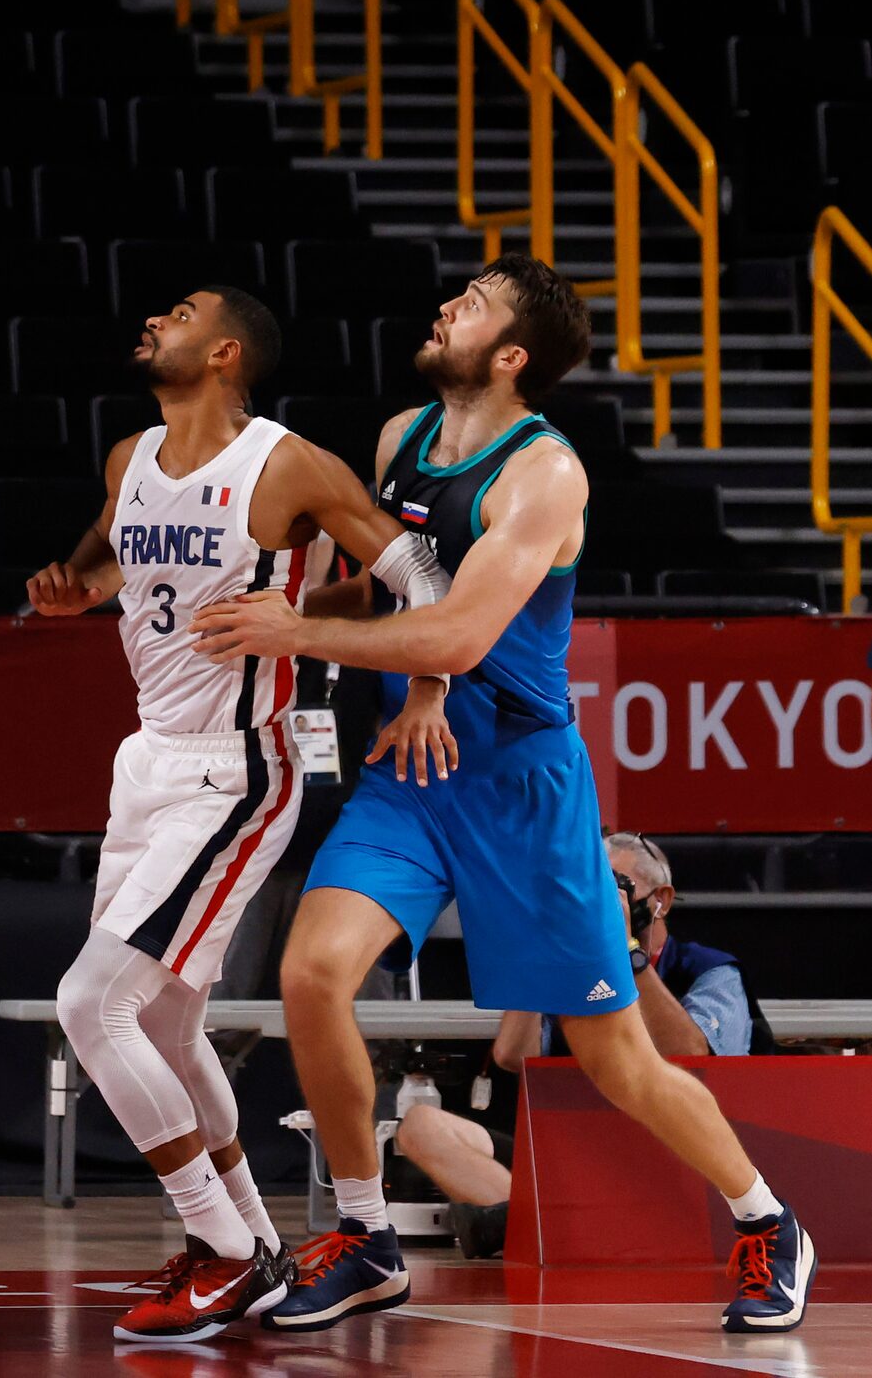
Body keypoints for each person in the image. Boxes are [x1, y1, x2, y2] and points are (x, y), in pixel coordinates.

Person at [193, 257, 814, 1336]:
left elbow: (462, 627)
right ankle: (366, 1234)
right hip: (409, 770)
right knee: (310, 973)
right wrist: (296, 619)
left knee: (614, 1057)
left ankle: (764, 1219)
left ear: (511, 355)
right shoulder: (400, 441)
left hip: (520, 788)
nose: (443, 308)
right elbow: (404, 584)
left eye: (469, 305)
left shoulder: (543, 477)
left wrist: (304, 635)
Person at [27, 287, 456, 1344]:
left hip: (242, 768)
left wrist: (426, 682)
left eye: (174, 313)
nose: (148, 320)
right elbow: (106, 555)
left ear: (222, 353)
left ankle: (217, 1249)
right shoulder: (127, 457)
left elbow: (418, 574)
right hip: (146, 764)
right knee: (163, 1020)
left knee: (92, 1008)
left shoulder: (286, 464)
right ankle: (252, 1247)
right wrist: (72, 588)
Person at [398, 831, 761, 1259]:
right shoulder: (571, 969)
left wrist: (625, 953)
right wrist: (540, 947)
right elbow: (514, 1055)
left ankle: (531, 1226)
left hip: (679, 1165)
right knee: (421, 1126)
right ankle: (549, 1226)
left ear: (660, 899)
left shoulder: (711, 971)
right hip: (577, 1160)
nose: (595, 900)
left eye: (611, 886)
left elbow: (694, 1056)